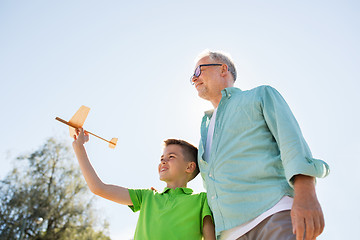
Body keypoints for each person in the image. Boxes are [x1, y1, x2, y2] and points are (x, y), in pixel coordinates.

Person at [190, 50, 330, 240]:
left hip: (273, 215)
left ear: (223, 69)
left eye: (199, 70)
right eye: (192, 75)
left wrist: (306, 192)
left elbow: (291, 141)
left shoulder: (260, 96)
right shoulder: (204, 130)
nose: (194, 78)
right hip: (229, 234)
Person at [72, 128, 216, 240]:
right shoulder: (146, 197)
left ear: (189, 167)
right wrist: (79, 148)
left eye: (171, 157)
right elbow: (98, 188)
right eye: (161, 158)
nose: (163, 161)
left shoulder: (201, 200)